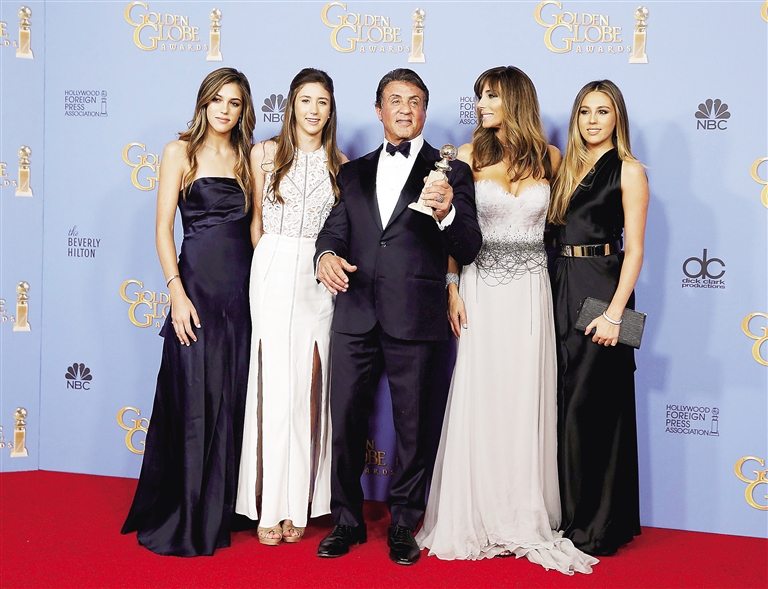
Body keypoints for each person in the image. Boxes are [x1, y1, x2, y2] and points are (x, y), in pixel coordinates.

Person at [414, 66, 597, 575]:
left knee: (524, 395)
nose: (481, 104)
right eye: (479, 96)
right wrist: (451, 284)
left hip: (532, 291)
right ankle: (478, 509)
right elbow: (456, 229)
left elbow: (573, 222)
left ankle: (521, 507)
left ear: (514, 99)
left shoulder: (551, 158)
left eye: (491, 96)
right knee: (483, 393)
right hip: (481, 289)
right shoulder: (466, 156)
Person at [314, 68, 482, 565]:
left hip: (417, 315)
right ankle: (346, 519)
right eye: (395, 100)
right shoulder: (353, 172)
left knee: (415, 424)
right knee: (345, 420)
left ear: (425, 111)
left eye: (414, 101)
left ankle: (405, 522)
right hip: (355, 312)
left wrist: (448, 213)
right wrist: (324, 255)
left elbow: (469, 246)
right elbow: (335, 230)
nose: (405, 109)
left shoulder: (452, 171)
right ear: (378, 109)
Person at [122, 68, 256, 556]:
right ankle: (188, 507)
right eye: (217, 100)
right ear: (203, 103)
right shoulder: (178, 152)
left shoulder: (249, 157)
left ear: (243, 110)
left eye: (234, 103)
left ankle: (224, 506)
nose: (225, 110)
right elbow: (163, 230)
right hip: (195, 289)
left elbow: (257, 230)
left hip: (242, 293)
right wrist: (176, 292)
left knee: (234, 395)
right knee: (196, 396)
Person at [236, 68, 347, 545]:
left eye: (322, 101)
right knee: (271, 383)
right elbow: (256, 223)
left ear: (331, 109)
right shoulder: (264, 154)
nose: (314, 110)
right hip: (272, 266)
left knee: (308, 385)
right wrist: (270, 264)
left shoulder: (341, 165)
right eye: (306, 100)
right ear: (292, 106)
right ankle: (268, 506)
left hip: (318, 277)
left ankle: (298, 501)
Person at [549, 80, 649, 556]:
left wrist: (615, 314)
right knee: (562, 402)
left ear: (617, 118)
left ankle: (596, 525)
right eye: (585, 111)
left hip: (603, 289)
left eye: (602, 111)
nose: (592, 120)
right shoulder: (565, 167)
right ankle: (566, 516)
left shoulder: (629, 169)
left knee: (593, 407)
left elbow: (636, 251)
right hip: (560, 285)